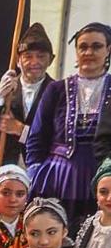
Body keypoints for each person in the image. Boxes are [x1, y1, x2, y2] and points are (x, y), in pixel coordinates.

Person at [29, 22, 111, 228]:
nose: (89, 52)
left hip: (103, 176)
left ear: (108, 50)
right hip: (60, 177)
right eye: (83, 46)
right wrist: (35, 173)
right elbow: (37, 138)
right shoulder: (56, 90)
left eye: (97, 46)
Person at [0, 22, 54, 170]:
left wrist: (21, 130)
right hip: (3, 172)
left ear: (50, 59)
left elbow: (57, 141)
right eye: (28, 56)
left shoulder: (59, 93)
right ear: (18, 61)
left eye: (41, 56)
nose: (34, 62)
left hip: (41, 171)